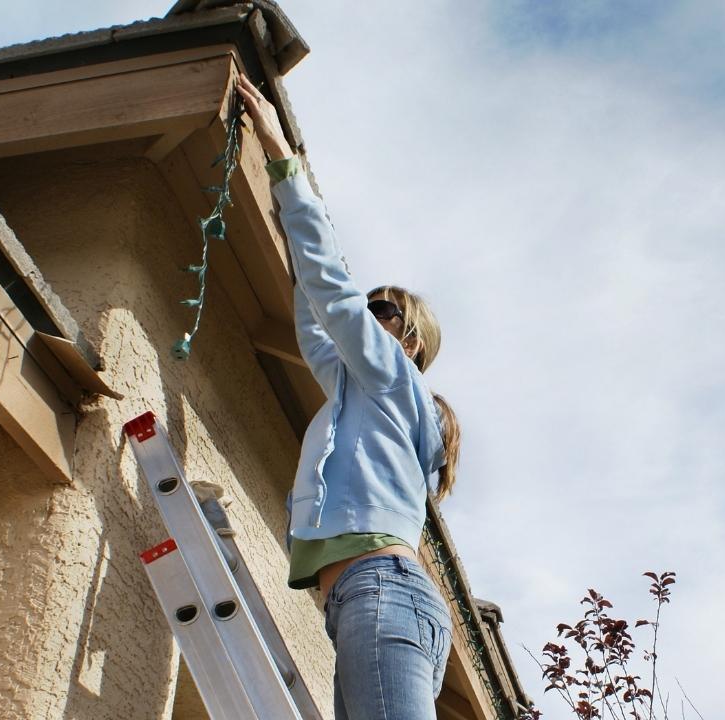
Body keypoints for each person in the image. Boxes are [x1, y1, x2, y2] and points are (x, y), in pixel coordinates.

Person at [235, 70, 461, 720]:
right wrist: (290, 221)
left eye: (381, 310)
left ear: (409, 339)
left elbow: (331, 289)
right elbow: (317, 316)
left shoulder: (392, 376)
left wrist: (284, 165)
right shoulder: (362, 394)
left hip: (380, 593)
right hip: (367, 602)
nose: (366, 314)